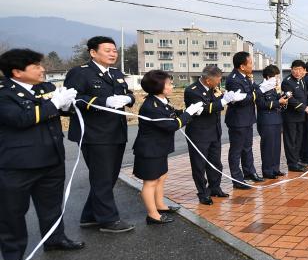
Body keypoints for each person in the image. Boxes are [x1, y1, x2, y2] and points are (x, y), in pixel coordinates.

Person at [0, 49, 84, 260]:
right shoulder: (4, 94)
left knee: (52, 206)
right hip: (18, 164)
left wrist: (66, 105)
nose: (42, 69)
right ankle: (12, 256)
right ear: (17, 72)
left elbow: (56, 112)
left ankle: (55, 239)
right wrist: (56, 104)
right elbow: (21, 119)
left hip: (51, 159)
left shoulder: (45, 89)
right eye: (36, 66)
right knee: (12, 212)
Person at [64, 36, 136, 233]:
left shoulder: (116, 73)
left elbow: (129, 94)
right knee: (102, 177)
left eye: (114, 50)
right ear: (93, 52)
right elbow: (73, 99)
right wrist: (103, 102)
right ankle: (108, 220)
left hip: (116, 132)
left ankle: (89, 216)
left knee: (108, 177)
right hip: (94, 134)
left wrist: (127, 98)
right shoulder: (80, 73)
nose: (113, 53)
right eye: (108, 50)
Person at [132, 70, 204, 224]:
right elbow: (171, 125)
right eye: (169, 83)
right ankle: (152, 215)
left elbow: (173, 114)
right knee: (150, 182)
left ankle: (160, 205)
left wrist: (188, 112)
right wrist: (189, 113)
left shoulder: (161, 101)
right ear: (159, 87)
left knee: (161, 176)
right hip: (150, 149)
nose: (172, 85)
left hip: (159, 147)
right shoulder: (151, 106)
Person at [185, 65, 244, 204]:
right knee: (199, 165)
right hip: (199, 133)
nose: (219, 82)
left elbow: (220, 98)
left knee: (215, 163)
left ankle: (215, 187)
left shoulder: (213, 88)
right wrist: (224, 101)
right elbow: (204, 108)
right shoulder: (192, 91)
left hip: (214, 131)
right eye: (218, 79)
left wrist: (231, 97)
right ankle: (203, 192)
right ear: (207, 80)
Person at [225, 51, 262, 189]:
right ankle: (237, 179)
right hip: (238, 120)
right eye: (250, 63)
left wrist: (259, 89)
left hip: (247, 118)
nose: (252, 65)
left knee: (247, 147)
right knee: (236, 150)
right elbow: (241, 100)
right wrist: (255, 94)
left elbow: (254, 89)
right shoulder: (234, 79)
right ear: (242, 66)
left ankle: (249, 172)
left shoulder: (245, 77)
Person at [257, 65, 287, 178]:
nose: (277, 80)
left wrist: (284, 98)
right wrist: (278, 102)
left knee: (276, 146)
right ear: (269, 77)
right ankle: (267, 171)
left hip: (277, 119)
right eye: (276, 77)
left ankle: (275, 168)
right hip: (266, 120)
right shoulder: (261, 88)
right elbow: (261, 104)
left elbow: (278, 100)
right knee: (268, 146)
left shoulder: (274, 88)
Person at [281, 60, 308, 171]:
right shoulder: (287, 82)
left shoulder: (302, 80)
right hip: (291, 116)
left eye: (300, 69)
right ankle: (292, 163)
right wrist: (304, 108)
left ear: (304, 71)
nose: (297, 72)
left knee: (298, 139)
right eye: (295, 69)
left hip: (300, 116)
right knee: (290, 140)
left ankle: (296, 160)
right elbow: (290, 99)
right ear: (291, 69)